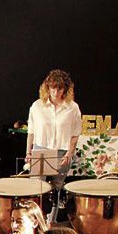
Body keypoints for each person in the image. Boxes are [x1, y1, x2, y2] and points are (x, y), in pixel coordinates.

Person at [25, 70, 81, 221]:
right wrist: (28, 152)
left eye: (60, 88)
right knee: (37, 188)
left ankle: (51, 222)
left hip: (62, 152)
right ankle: (35, 222)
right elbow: (31, 132)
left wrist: (69, 153)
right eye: (53, 88)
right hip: (41, 149)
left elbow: (75, 134)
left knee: (56, 189)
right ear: (47, 88)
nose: (56, 92)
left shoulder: (72, 108)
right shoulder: (37, 106)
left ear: (65, 89)